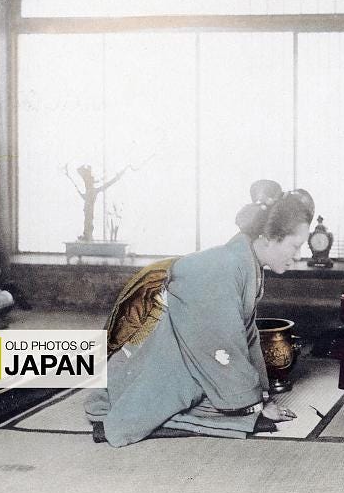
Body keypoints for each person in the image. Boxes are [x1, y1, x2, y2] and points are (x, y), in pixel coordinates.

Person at [85, 180, 315, 446]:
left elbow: (246, 338)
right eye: (295, 246)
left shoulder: (244, 263)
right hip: (156, 353)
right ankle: (119, 412)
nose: (298, 255)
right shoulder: (222, 267)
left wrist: (261, 395)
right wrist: (253, 405)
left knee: (230, 402)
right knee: (218, 405)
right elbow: (221, 343)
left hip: (189, 347)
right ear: (268, 238)